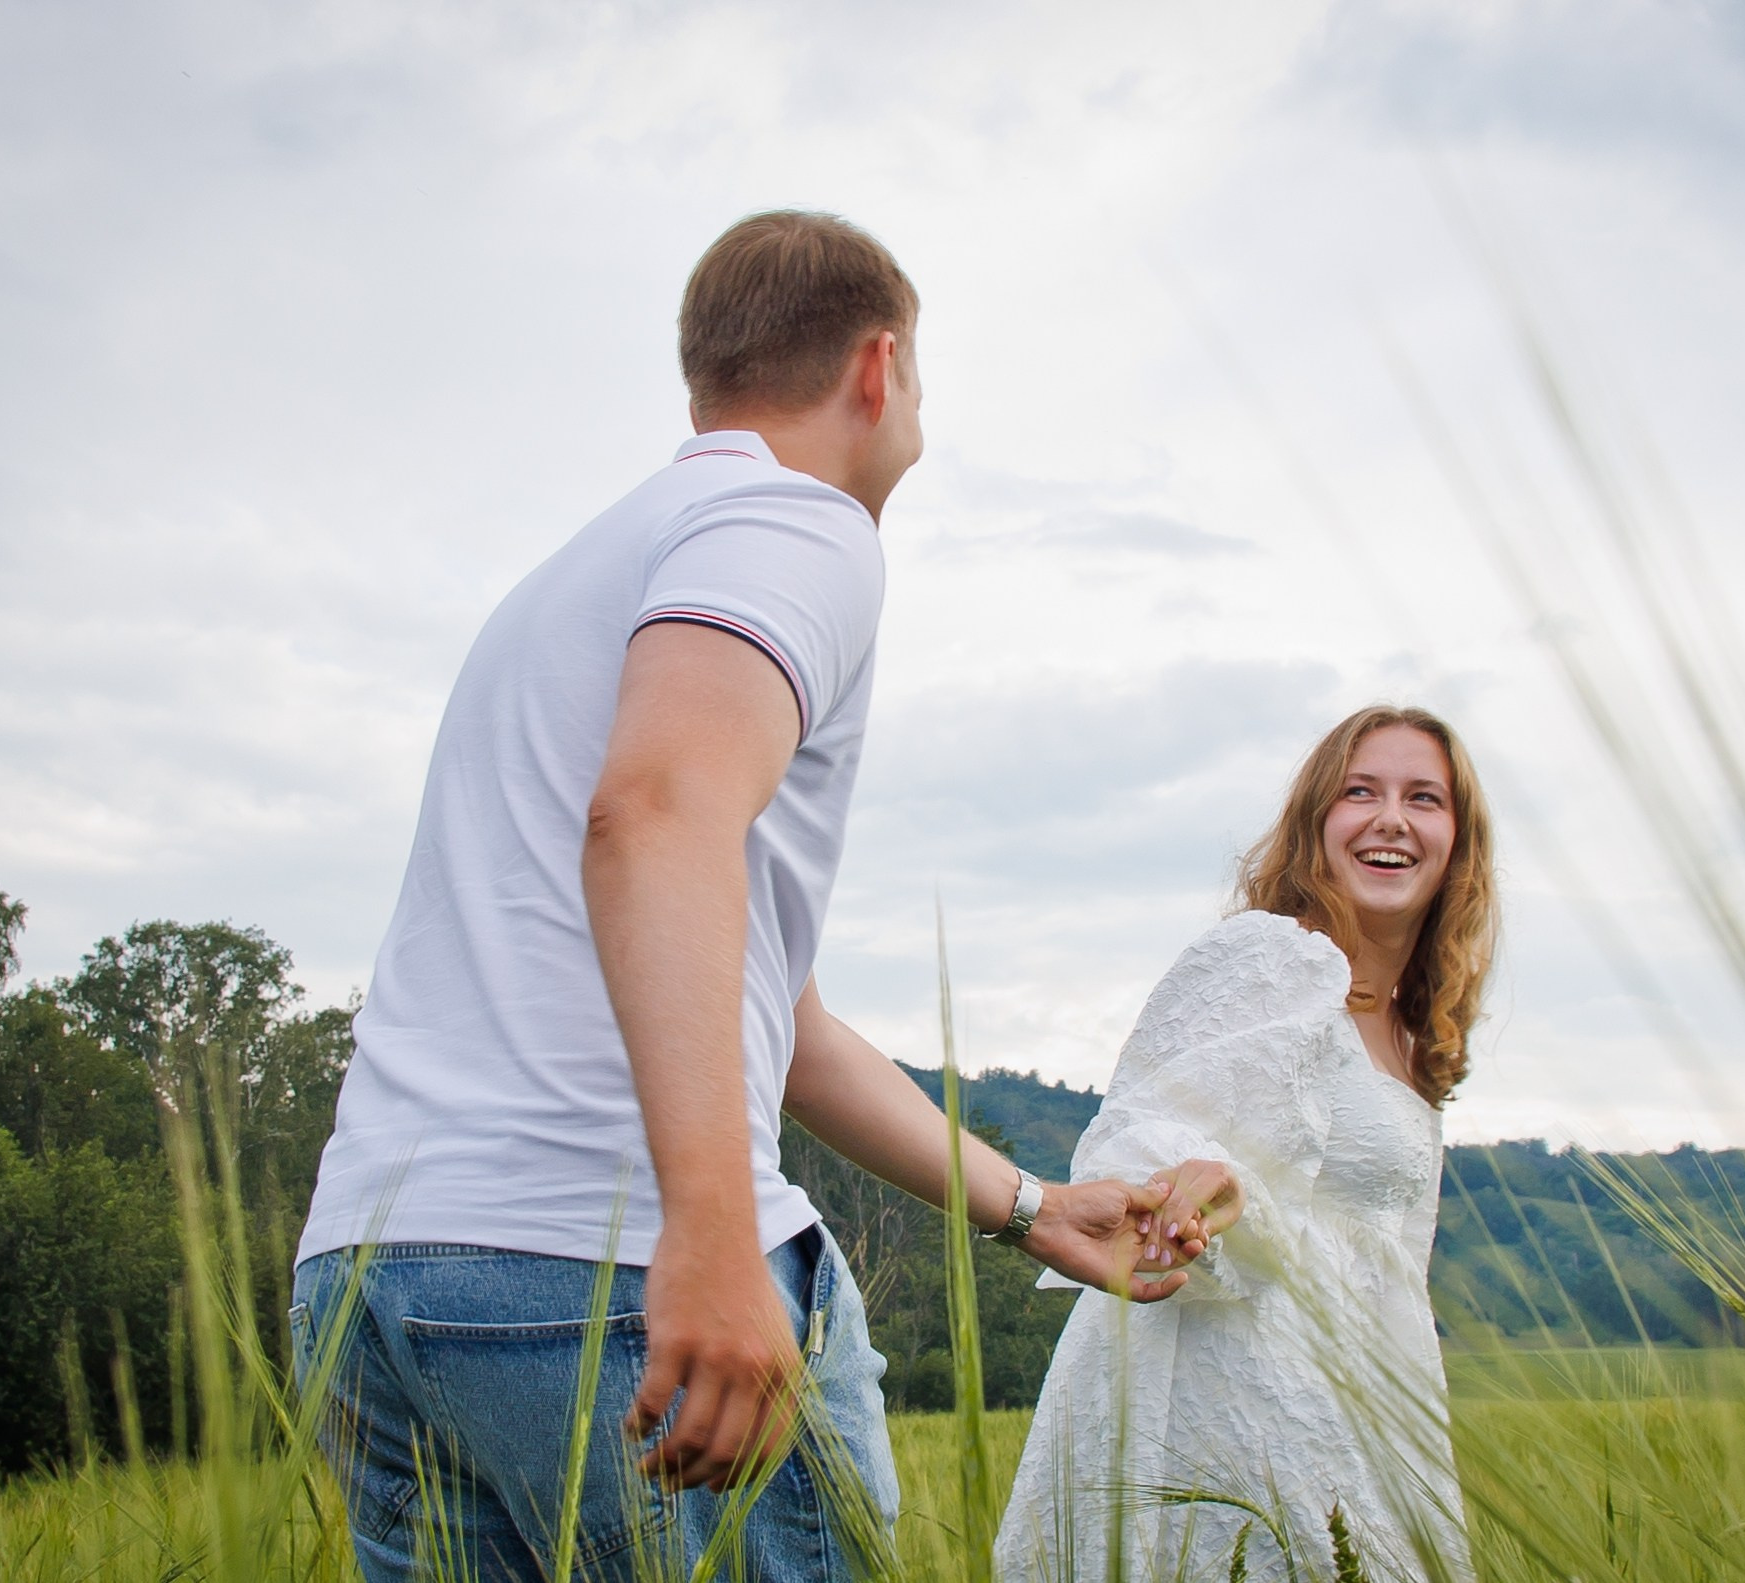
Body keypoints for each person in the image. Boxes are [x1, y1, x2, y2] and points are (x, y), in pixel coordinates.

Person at [291, 211, 1215, 1583]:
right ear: (878, 368)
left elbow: (782, 1022)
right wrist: (712, 1231)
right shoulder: (795, 520)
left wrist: (1033, 1206)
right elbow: (655, 813)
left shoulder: (583, 572)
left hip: (373, 1277)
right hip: (591, 1267)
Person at [995, 705, 1497, 1583]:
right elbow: (1148, 1124)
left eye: (1424, 798)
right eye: (1361, 792)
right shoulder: (1272, 959)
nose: (1391, 818)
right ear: (1315, 823)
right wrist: (1199, 1188)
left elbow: (1393, 1267)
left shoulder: (1418, 1035)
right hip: (1226, 1411)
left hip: (1360, 1418)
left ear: (1458, 841)